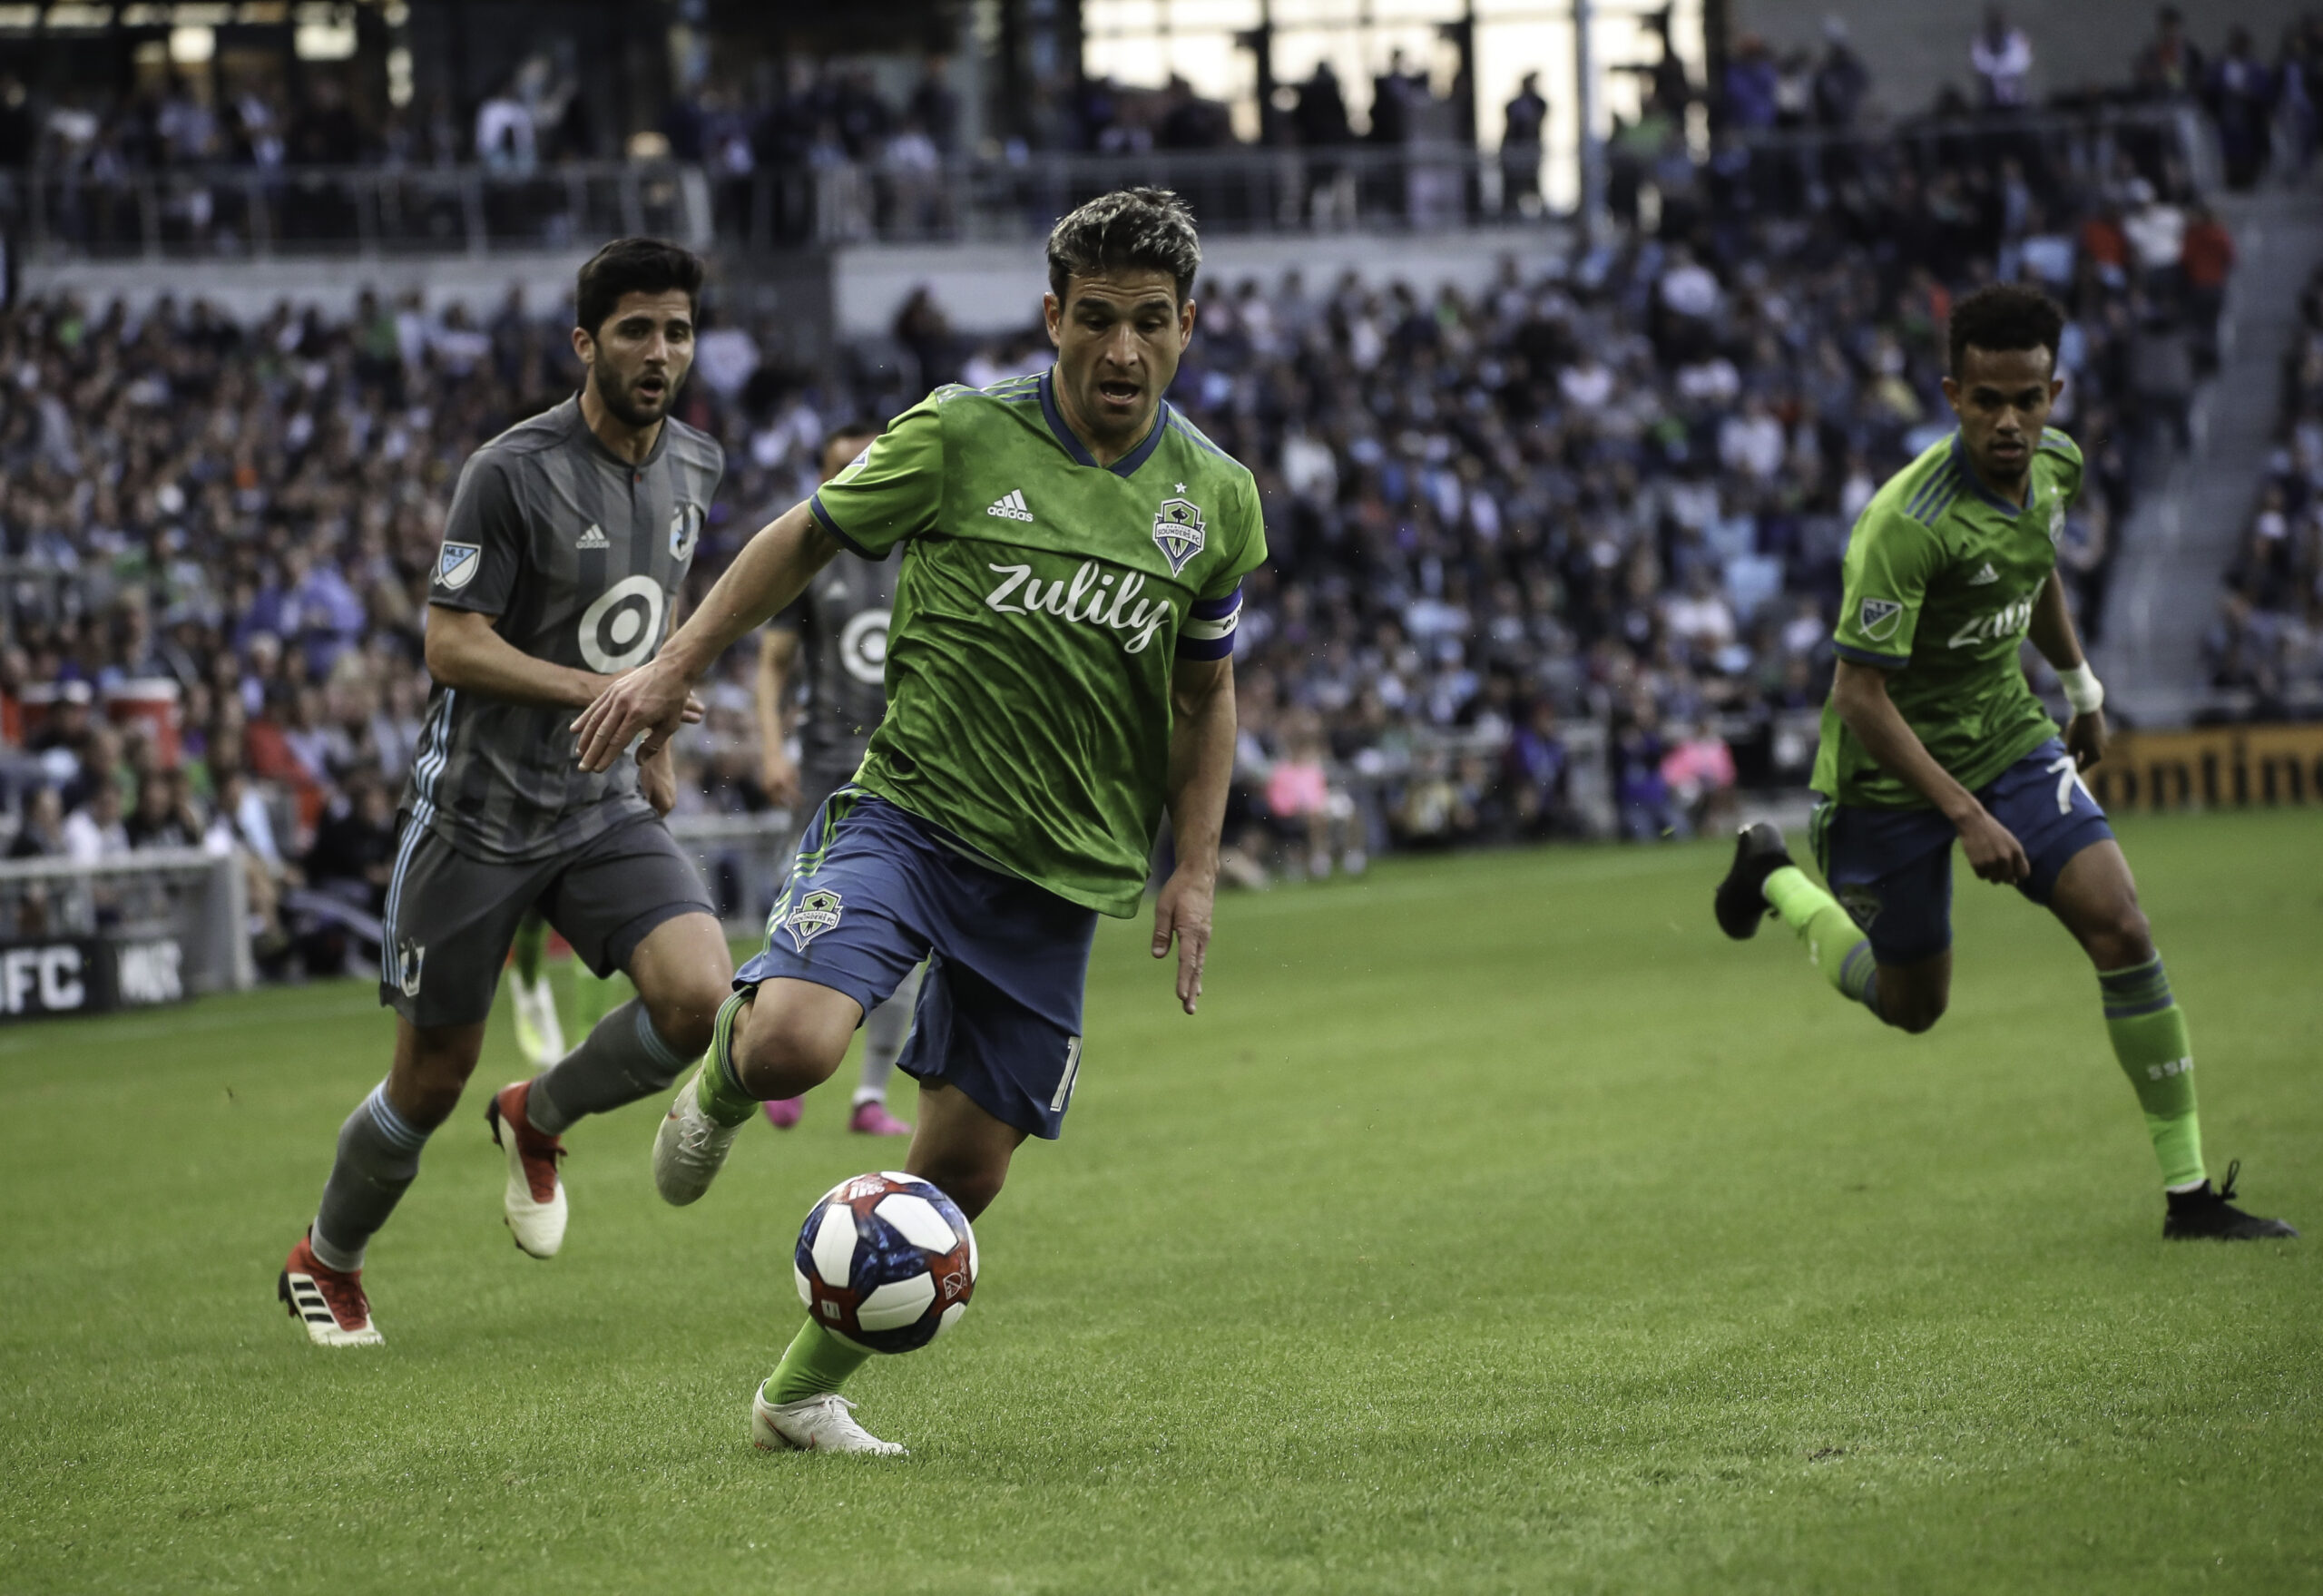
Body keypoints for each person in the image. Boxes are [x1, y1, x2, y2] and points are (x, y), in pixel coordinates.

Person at [573, 187, 1261, 1455]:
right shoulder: (960, 434)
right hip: (914, 816)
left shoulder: (1215, 498)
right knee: (793, 1044)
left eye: (1149, 321)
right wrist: (674, 666)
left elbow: (1204, 691)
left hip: (1061, 874)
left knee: (967, 1172)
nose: (1121, 349)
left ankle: (796, 1396)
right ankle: (718, 1085)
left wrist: (1199, 864)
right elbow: (802, 536)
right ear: (1052, 317)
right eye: (1095, 318)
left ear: (1186, 327)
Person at [1713, 284, 2295, 1243]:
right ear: (1953, 395)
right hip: (1885, 780)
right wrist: (1963, 815)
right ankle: (1773, 875)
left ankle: (2189, 1196)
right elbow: (1858, 697)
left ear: (2053, 393)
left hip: (2004, 734)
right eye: (1987, 401)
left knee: (2122, 926)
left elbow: (2032, 568)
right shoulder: (1907, 522)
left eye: (2028, 399)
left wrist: (2081, 688)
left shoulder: (2056, 467)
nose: (2010, 422)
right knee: (1913, 1006)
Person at [278, 238, 738, 1348]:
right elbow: (449, 644)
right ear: (586, 342)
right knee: (431, 1080)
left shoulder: (697, 463)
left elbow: (660, 609)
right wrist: (604, 694)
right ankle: (326, 1258)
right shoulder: (510, 470)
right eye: (635, 330)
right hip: (474, 815)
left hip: (596, 802)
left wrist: (653, 740)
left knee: (698, 998)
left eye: (676, 331)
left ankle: (539, 1114)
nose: (659, 352)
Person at [753, 419, 917, 1138]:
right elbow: (773, 666)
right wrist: (771, 749)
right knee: (802, 912)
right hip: (825, 762)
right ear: (823, 478)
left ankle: (870, 1095)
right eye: (842, 467)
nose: (857, 476)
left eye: (868, 462)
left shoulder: (922, 546)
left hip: (908, 766)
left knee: (908, 928)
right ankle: (776, 1062)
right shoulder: (811, 554)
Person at [1501, 73, 1546, 216]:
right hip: (1515, 147)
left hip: (1531, 147)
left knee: (1532, 179)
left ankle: (1538, 209)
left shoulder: (1538, 103)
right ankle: (1511, 208)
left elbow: (1539, 117)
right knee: (1514, 179)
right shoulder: (1514, 104)